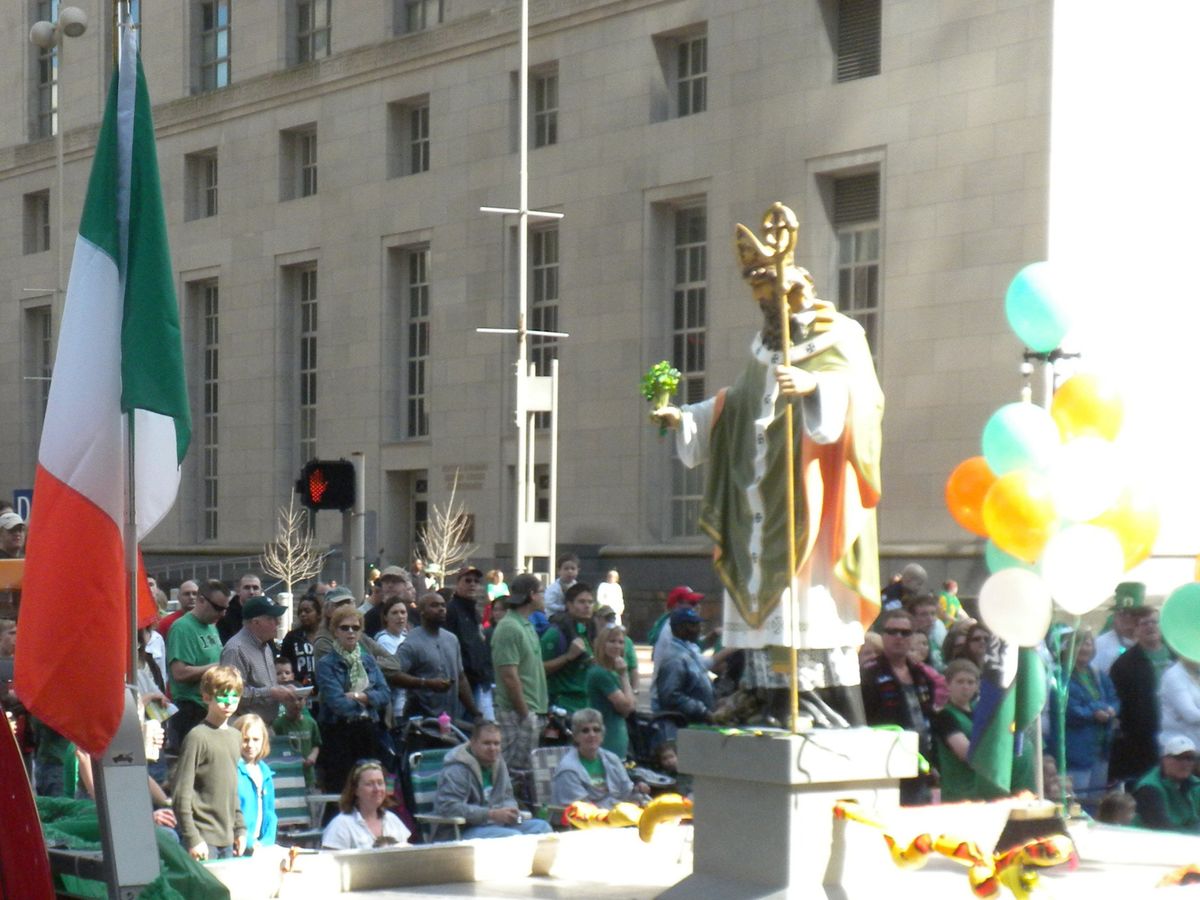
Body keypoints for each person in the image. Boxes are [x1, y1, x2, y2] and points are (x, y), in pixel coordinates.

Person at [653, 203, 884, 726]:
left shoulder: (842, 335)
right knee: (769, 623)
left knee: (813, 614)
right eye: (759, 302)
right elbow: (740, 402)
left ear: (794, 292)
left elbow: (867, 401)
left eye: (770, 300)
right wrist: (688, 417)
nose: (765, 312)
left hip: (810, 505)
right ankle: (774, 701)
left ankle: (835, 713)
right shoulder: (763, 347)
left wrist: (817, 388)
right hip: (760, 498)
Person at [860, 608, 935, 804]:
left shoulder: (921, 675)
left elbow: (930, 717)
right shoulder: (869, 675)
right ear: (883, 635)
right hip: (886, 764)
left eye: (905, 632)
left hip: (920, 764)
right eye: (892, 632)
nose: (898, 637)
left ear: (912, 637)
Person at [173, 666, 247, 860]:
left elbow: (233, 789)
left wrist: (240, 829)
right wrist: (192, 837)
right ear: (206, 697)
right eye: (222, 696)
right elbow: (182, 792)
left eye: (234, 696)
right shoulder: (197, 736)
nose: (229, 702)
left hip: (228, 836)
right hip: (203, 836)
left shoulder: (235, 736)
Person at [433, 720, 552, 840]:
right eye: (487, 743)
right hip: (462, 830)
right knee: (513, 837)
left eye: (496, 743)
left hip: (495, 825)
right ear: (473, 743)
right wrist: (491, 814)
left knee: (542, 828)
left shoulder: (498, 763)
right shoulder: (456, 769)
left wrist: (510, 811)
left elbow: (507, 796)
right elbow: (448, 807)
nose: (492, 748)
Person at [315, 606, 391, 793]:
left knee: (371, 789)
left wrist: (360, 696)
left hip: (369, 730)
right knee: (341, 791)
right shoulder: (326, 664)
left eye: (355, 628)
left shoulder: (368, 661)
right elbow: (337, 703)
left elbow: (385, 694)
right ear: (335, 631)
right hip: (339, 733)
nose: (350, 632)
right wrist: (368, 701)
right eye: (344, 627)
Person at [1051, 628, 1118, 809]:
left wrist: (1111, 710)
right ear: (1067, 647)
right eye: (1079, 643)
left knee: (1097, 801)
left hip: (1100, 750)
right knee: (1077, 802)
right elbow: (1069, 710)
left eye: (1088, 643)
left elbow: (1113, 698)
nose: (1084, 648)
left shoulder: (1097, 674)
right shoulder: (1059, 677)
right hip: (1074, 751)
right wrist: (1097, 711)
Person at [491, 574, 549, 774]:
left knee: (526, 773)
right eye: (542, 592)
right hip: (516, 714)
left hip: (531, 711)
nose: (544, 596)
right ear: (532, 595)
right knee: (513, 772)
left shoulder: (526, 624)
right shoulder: (509, 627)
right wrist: (525, 714)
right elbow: (509, 676)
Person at [1110, 606, 1173, 785]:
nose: (1150, 627)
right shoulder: (1124, 665)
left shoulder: (1178, 656)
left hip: (1178, 734)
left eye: (1154, 622)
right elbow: (1120, 704)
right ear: (1135, 630)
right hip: (1143, 742)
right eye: (1144, 623)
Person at [395, 592, 480, 722]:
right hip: (421, 721)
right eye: (434, 606)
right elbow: (394, 675)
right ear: (422, 611)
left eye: (443, 605)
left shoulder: (452, 639)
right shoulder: (411, 643)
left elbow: (461, 678)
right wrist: (425, 683)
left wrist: (476, 713)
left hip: (450, 720)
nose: (441, 609)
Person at [166, 579, 229, 753]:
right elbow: (179, 673)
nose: (222, 614)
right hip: (190, 711)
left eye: (225, 609)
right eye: (218, 608)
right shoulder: (182, 628)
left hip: (210, 709)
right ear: (201, 600)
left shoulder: (211, 627)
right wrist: (218, 667)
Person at [220, 595, 296, 725]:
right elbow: (230, 694)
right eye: (271, 618)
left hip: (266, 726)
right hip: (244, 728)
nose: (277, 623)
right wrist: (271, 692)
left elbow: (264, 685)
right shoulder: (236, 649)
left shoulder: (265, 646)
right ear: (256, 622)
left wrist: (282, 689)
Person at [551, 708, 649, 809]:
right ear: (576, 736)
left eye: (596, 730)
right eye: (585, 731)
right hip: (583, 821)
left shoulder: (612, 759)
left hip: (617, 815)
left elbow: (626, 791)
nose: (592, 734)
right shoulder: (568, 769)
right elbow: (580, 809)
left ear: (602, 735)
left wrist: (637, 790)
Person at [321, 759, 411, 849]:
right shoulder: (340, 825)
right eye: (369, 784)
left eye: (380, 783)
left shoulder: (393, 820)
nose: (377, 789)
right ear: (355, 790)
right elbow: (329, 862)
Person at [444, 566, 495, 719]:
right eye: (467, 580)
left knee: (484, 727)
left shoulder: (474, 611)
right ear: (458, 583)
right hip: (462, 683)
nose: (472, 584)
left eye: (476, 581)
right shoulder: (451, 610)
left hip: (480, 681)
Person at [541, 582, 597, 714]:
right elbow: (538, 668)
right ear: (569, 605)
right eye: (581, 602)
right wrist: (567, 657)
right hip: (562, 706)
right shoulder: (555, 633)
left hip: (586, 704)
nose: (587, 606)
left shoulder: (587, 631)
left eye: (590, 602)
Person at [654, 607, 716, 725]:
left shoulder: (688, 651)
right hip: (682, 728)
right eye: (693, 625)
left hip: (695, 725)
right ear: (680, 628)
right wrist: (702, 711)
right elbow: (671, 697)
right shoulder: (674, 658)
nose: (699, 629)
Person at [931, 659, 981, 802]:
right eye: (960, 682)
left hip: (979, 792)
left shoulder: (980, 714)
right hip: (957, 794)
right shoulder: (945, 716)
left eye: (970, 682)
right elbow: (967, 754)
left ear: (977, 686)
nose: (965, 687)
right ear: (948, 684)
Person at [586, 623, 636, 759]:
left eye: (621, 642)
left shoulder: (612, 672)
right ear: (602, 644)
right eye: (612, 641)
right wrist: (624, 676)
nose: (617, 646)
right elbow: (627, 707)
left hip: (617, 738)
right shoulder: (601, 673)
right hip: (607, 741)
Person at [1132, 735, 1200, 832]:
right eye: (1179, 758)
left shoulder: (1196, 785)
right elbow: (1162, 829)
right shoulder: (1149, 788)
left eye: (1190, 758)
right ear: (1165, 759)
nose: (1185, 763)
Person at [272, 659, 321, 789]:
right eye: (279, 673)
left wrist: (311, 757)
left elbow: (316, 743)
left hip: (308, 774)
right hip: (286, 772)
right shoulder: (277, 722)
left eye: (287, 672)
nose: (296, 703)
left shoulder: (309, 722)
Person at [235, 714, 277, 854]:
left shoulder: (265, 773)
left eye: (256, 739)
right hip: (239, 844)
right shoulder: (233, 770)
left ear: (264, 741)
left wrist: (267, 842)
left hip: (261, 845)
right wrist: (249, 842)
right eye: (245, 740)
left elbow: (270, 813)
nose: (250, 745)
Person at [1094, 582, 1144, 677]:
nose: (1127, 617)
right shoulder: (1099, 644)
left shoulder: (1148, 642)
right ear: (1115, 616)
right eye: (1122, 613)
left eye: (1133, 613)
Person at [280, 595, 321, 687]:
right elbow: (284, 665)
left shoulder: (326, 637)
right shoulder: (291, 637)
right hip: (299, 691)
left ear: (318, 614)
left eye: (307, 611)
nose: (303, 614)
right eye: (300, 612)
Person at [219, 573, 264, 645]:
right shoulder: (226, 615)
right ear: (238, 591)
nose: (251, 592)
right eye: (247, 588)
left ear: (261, 592)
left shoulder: (266, 614)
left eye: (255, 588)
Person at [542, 552, 580, 621]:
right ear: (559, 571)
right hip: (553, 616)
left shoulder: (577, 586)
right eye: (566, 569)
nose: (570, 571)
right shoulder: (553, 588)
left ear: (578, 570)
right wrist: (563, 608)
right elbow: (548, 604)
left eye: (573, 568)